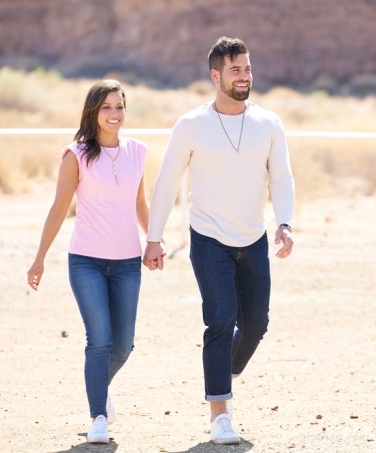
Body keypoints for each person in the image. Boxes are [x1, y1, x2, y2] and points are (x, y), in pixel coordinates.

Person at [143, 36, 295, 445]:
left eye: (247, 68)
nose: (244, 76)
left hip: (254, 237)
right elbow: (166, 182)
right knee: (220, 318)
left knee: (256, 324)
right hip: (208, 237)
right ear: (215, 76)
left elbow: (281, 177)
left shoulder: (269, 123)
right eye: (235, 70)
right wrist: (153, 238)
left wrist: (285, 223)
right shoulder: (191, 125)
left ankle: (221, 374)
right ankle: (220, 414)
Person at [27, 79, 155, 444]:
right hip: (87, 262)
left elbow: (139, 204)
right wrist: (39, 259)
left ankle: (100, 386)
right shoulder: (76, 155)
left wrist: (154, 242)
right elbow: (58, 209)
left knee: (123, 345)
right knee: (99, 340)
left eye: (119, 107)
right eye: (107, 108)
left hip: (128, 262)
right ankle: (98, 415)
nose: (114, 114)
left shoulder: (137, 152)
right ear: (93, 112)